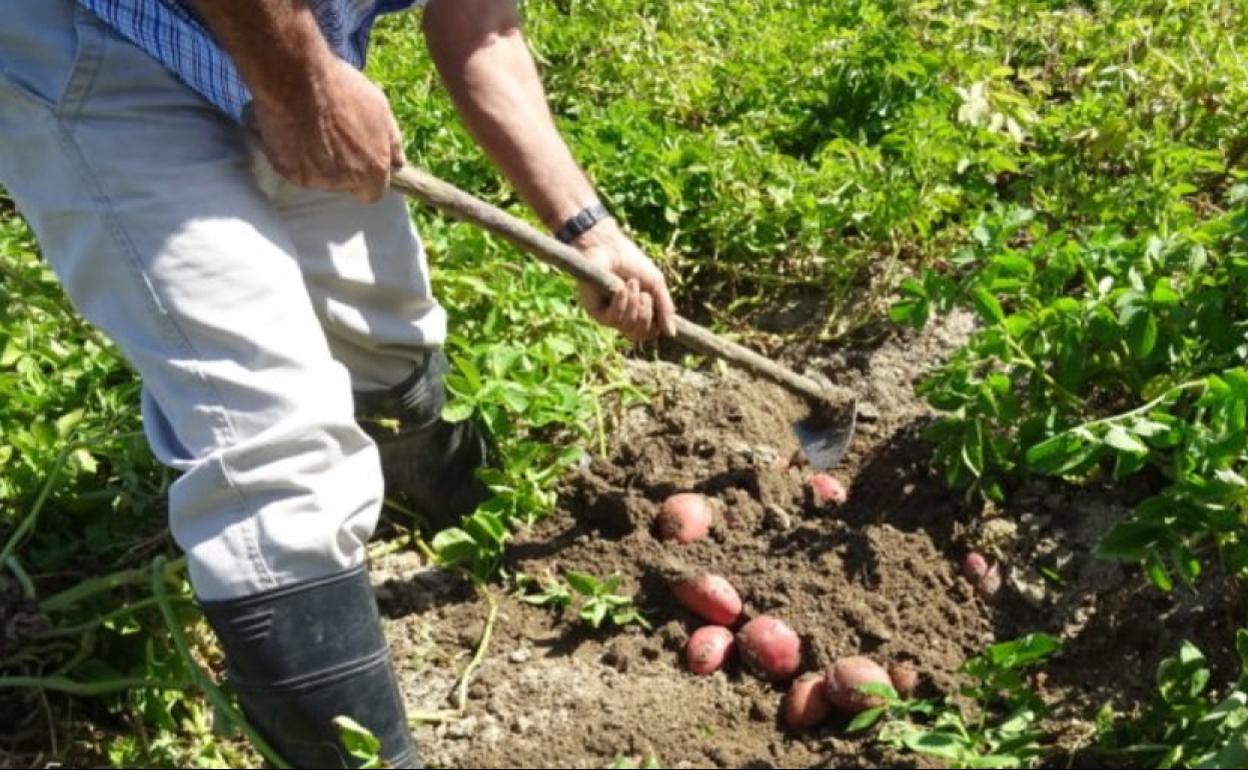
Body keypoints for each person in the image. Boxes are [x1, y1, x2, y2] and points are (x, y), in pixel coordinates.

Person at [0, 1, 676, 766]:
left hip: (293, 40)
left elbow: (481, 24)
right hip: (103, 38)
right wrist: (306, 90)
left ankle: (451, 502)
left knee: (386, 338)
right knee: (271, 441)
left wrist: (588, 231)